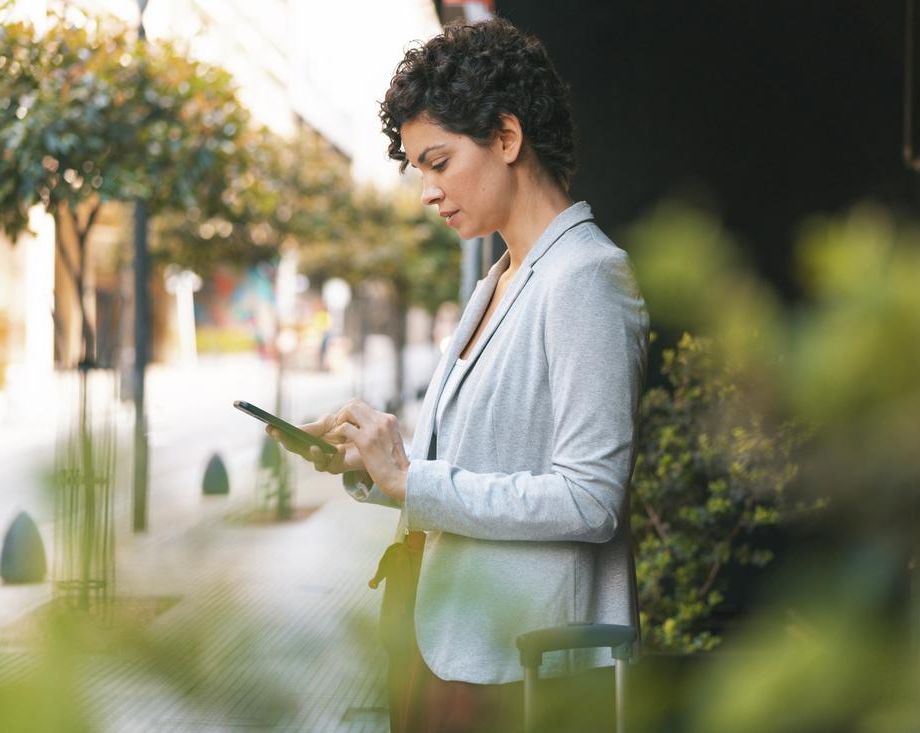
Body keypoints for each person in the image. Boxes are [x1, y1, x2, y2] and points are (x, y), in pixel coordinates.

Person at [268, 17, 648, 733]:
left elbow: (590, 497)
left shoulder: (588, 277)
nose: (426, 193)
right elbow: (486, 463)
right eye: (418, 170)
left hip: (522, 667)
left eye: (438, 163)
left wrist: (415, 480)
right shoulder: (502, 277)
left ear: (507, 138)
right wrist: (375, 464)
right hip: (451, 644)